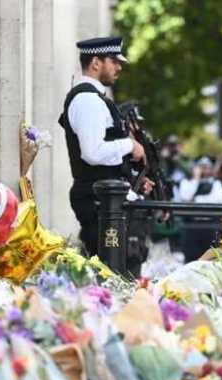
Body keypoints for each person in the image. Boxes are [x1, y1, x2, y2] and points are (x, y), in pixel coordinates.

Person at [58, 36, 152, 256]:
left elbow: (107, 153)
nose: (119, 67)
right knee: (110, 273)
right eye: (114, 60)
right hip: (99, 202)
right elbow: (93, 152)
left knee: (121, 270)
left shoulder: (96, 99)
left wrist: (134, 179)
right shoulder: (87, 100)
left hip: (107, 200)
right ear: (95, 63)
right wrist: (130, 145)